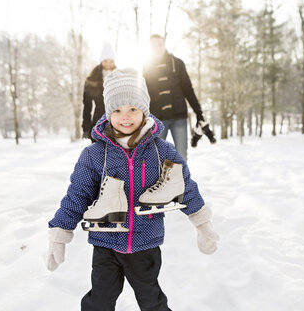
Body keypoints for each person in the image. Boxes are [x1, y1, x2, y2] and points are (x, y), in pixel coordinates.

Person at [46, 68, 219, 311]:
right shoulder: (95, 154)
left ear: (144, 111)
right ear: (108, 113)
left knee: (152, 301)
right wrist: (60, 234)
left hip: (145, 244)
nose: (124, 117)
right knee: (99, 301)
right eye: (117, 110)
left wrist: (202, 224)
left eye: (132, 109)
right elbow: (77, 195)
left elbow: (185, 186)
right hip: (105, 245)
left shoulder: (162, 151)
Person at [143, 34, 211, 160]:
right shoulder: (146, 67)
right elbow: (141, 93)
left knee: (182, 156)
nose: (157, 48)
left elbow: (188, 90)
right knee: (156, 157)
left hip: (178, 116)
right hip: (158, 118)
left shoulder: (177, 63)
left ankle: (180, 179)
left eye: (160, 44)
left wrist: (199, 112)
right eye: (154, 45)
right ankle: (159, 180)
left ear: (164, 44)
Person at [82, 42, 116, 140]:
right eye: (106, 61)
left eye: (111, 61)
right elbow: (87, 106)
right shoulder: (92, 79)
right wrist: (86, 128)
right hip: (99, 122)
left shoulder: (119, 76)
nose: (109, 64)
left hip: (117, 123)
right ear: (101, 61)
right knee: (98, 153)